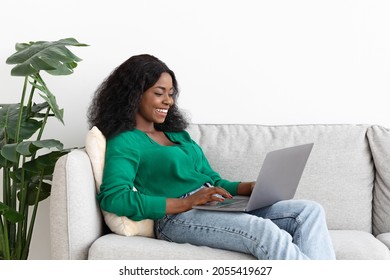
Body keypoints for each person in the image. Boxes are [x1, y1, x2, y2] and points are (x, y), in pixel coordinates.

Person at [87, 54, 336, 260]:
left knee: (309, 211)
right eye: (159, 92)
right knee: (263, 230)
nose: (168, 101)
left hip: (212, 203)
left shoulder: (178, 136)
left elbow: (212, 180)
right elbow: (114, 198)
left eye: (171, 93)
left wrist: (248, 187)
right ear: (135, 94)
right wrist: (186, 202)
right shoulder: (125, 141)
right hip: (177, 218)